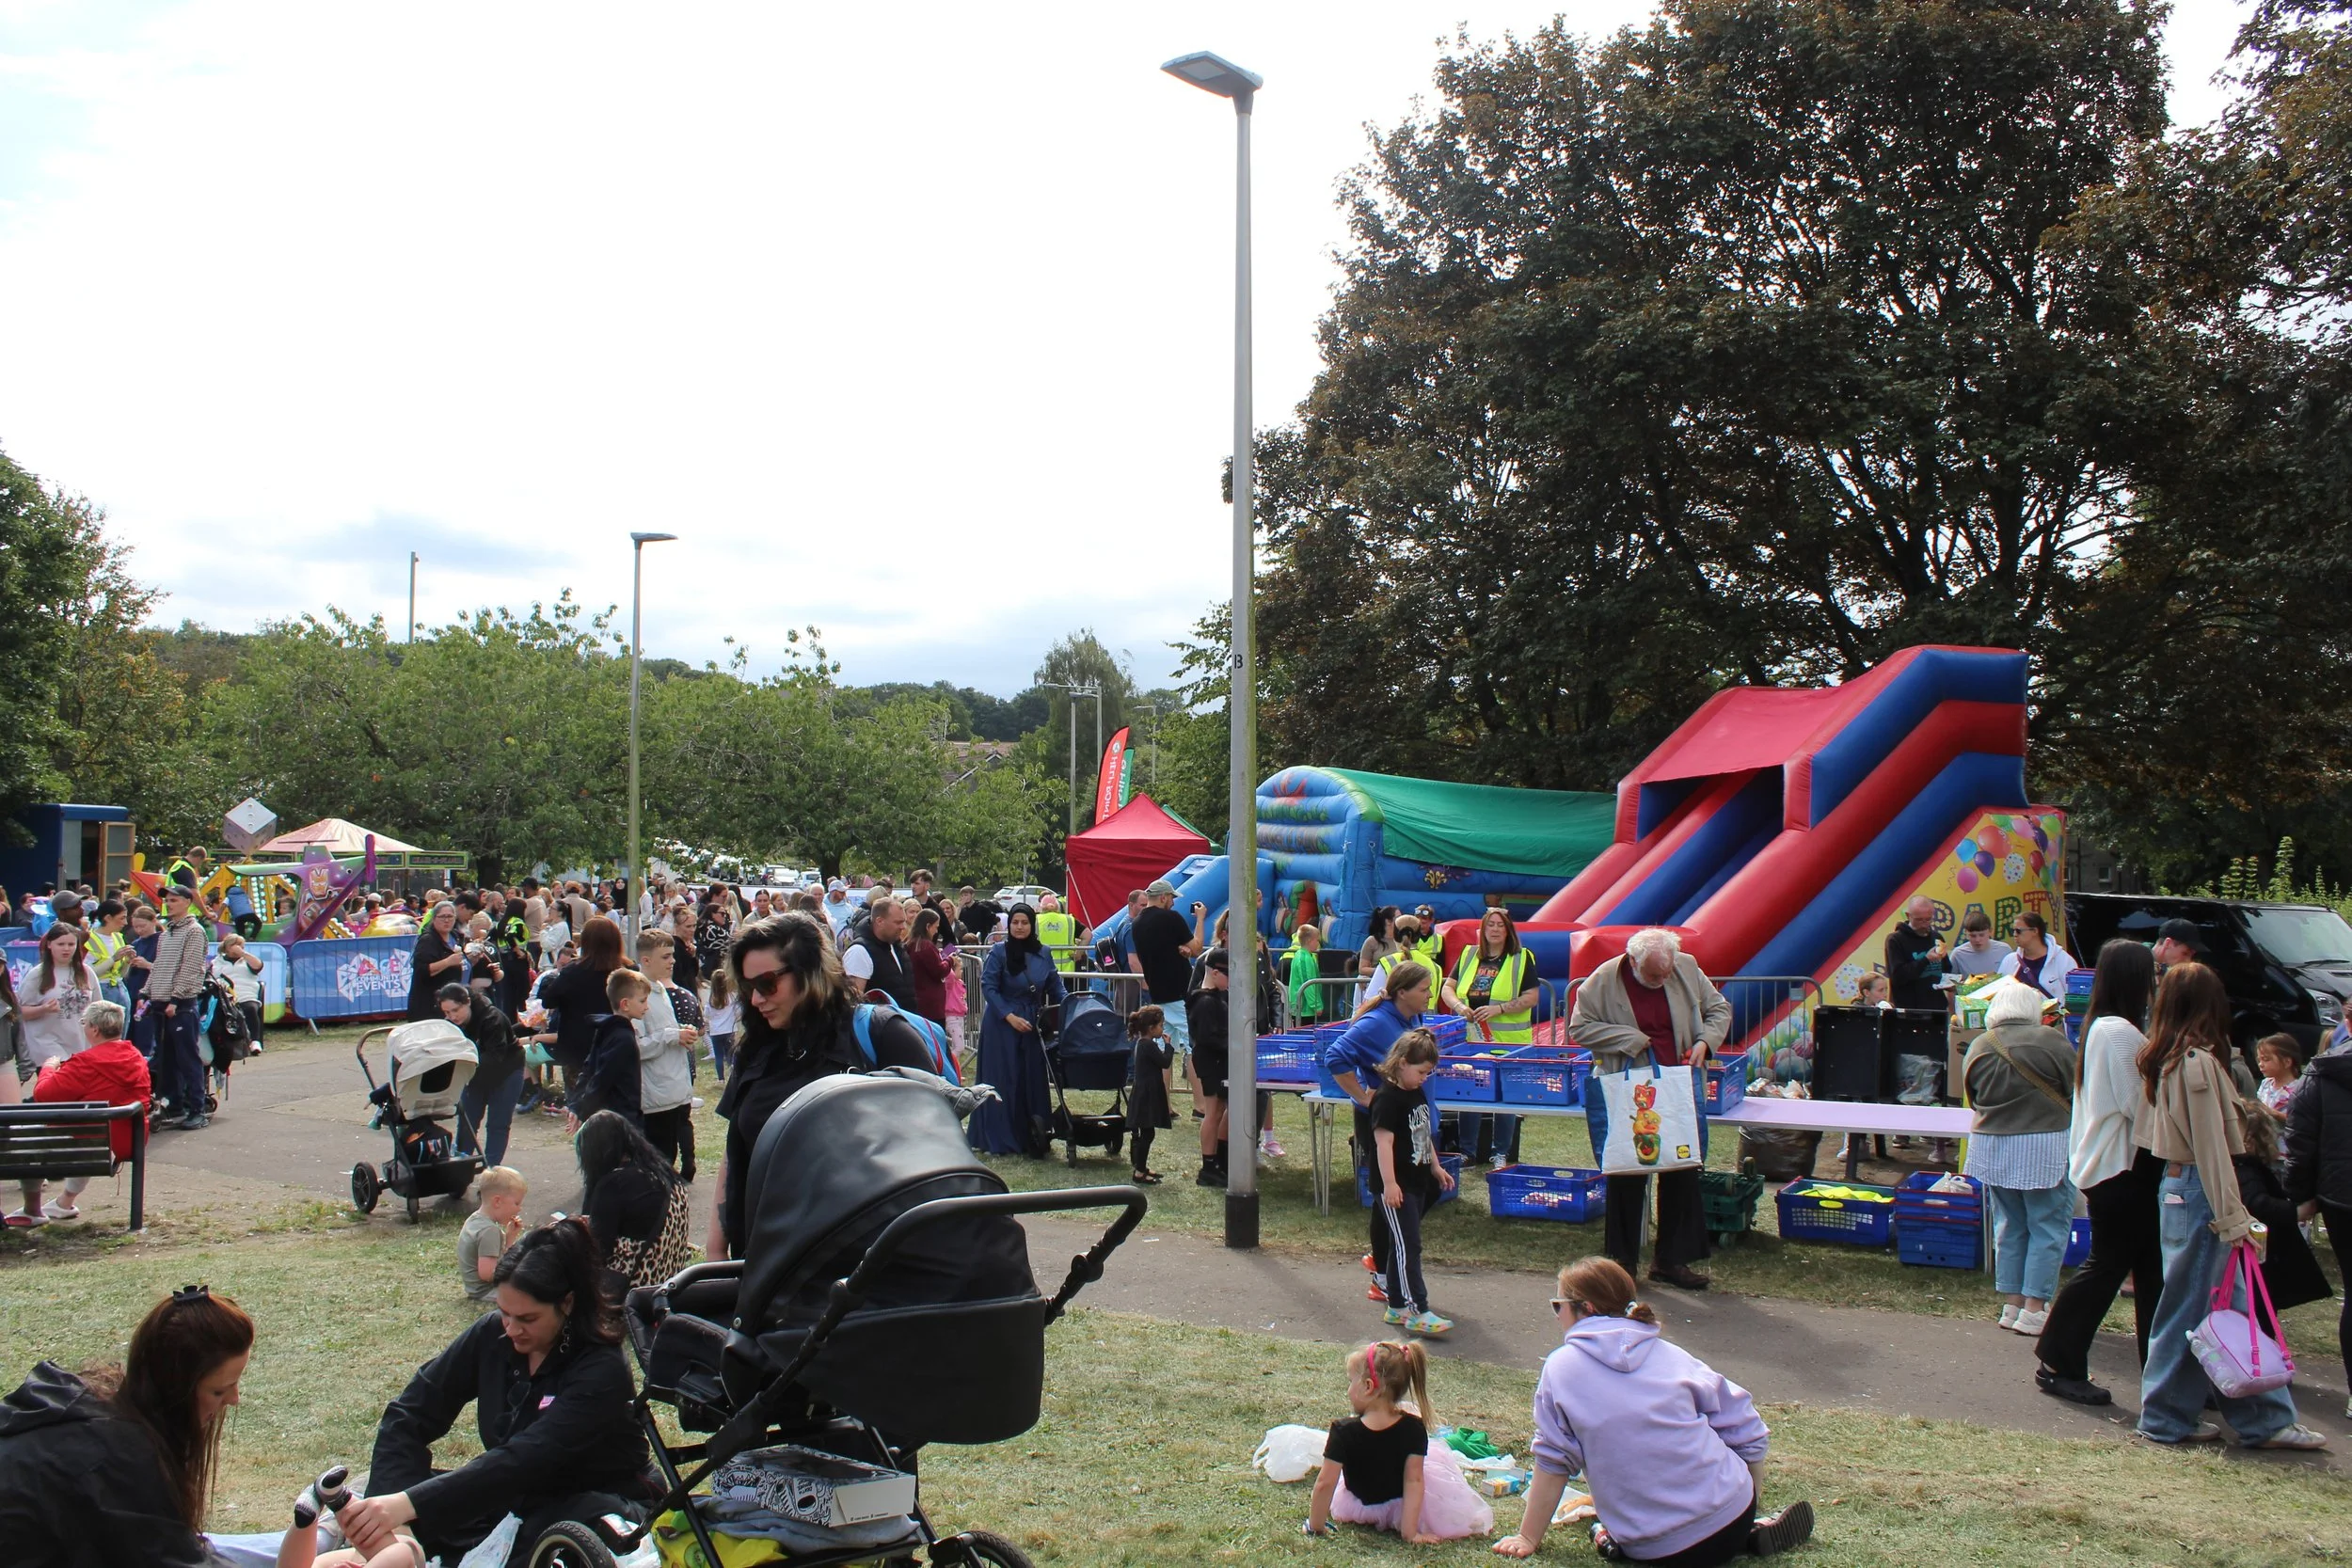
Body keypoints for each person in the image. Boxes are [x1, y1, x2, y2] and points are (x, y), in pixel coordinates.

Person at [342, 1221, 656, 1564]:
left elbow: (524, 1460)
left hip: (590, 1503)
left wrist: (406, 1505)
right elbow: (410, 1413)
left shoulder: (601, 1368)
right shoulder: (494, 1336)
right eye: (504, 1313)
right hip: (508, 1499)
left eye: (527, 1318)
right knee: (414, 1504)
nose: (512, 1329)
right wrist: (388, 1502)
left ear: (567, 1303)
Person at [1492, 1258, 1814, 1563]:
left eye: (1557, 1306)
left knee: (1622, 1524)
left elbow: (1554, 1460)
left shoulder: (1560, 1367)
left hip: (1652, 1548)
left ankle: (1608, 1536)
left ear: (1585, 1308)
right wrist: (1749, 1501)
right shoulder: (1670, 1354)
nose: (1556, 1316)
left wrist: (1527, 1537)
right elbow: (1746, 1426)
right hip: (1732, 1516)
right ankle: (1750, 1531)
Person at [2131, 961, 2326, 1449]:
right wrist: (2234, 1216)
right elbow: (2213, 1148)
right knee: (2197, 1310)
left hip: (2186, 1189)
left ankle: (2263, 1420)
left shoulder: (2163, 1058)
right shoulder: (2194, 1062)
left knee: (2219, 1306)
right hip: (2202, 1191)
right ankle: (2171, 1417)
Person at [707, 912, 932, 1259]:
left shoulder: (881, 1034)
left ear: (810, 972)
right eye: (749, 987)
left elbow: (934, 1150)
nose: (756, 999)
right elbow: (736, 1152)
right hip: (764, 1266)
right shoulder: (757, 1049)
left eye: (767, 983)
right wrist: (716, 1253)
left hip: (868, 1274)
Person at [0, 1284, 257, 1566]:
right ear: (175, 1389)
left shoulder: (103, 1414)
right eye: (219, 1391)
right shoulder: (119, 1459)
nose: (234, 1399)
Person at [2035, 940, 2163, 1405]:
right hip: (2120, 1169)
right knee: (2109, 1267)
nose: (2155, 984)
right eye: (2150, 975)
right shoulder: (2118, 1033)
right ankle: (2058, 1362)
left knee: (2149, 1272)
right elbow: (2138, 1106)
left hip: (2120, 1167)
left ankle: (2162, 1370)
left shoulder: (2107, 1028)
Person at [1569, 928, 1729, 1291]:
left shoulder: (1685, 967)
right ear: (1634, 961)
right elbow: (1580, 1027)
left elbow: (1719, 1008)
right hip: (1630, 1087)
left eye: (1667, 972)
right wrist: (1629, 1039)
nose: (1663, 980)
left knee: (1681, 1166)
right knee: (1628, 1169)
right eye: (1655, 975)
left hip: (1678, 1085)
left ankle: (1672, 1259)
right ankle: (1622, 1262)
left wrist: (1706, 1041)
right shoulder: (1602, 980)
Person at [1962, 979, 2078, 1336]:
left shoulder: (1980, 1044)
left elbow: (1973, 1097)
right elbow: (2077, 1087)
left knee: (2009, 1226)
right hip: (2045, 1146)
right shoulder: (2051, 1041)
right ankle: (2035, 1307)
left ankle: (2011, 1305)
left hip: (1992, 1146)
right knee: (2048, 1226)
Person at [1323, 960, 1437, 1302]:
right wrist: (1362, 1095)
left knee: (1423, 1189)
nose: (1429, 995)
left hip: (1414, 1117)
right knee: (1389, 1198)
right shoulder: (1375, 1022)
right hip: (1386, 1119)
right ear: (1402, 993)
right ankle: (1383, 1274)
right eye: (1424, 990)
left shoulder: (1413, 1018)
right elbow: (1335, 1056)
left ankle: (1388, 1261)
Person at [1303, 1339, 1489, 1544]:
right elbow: (1414, 1481)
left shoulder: (1343, 1431)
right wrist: (1411, 1533)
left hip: (1358, 1505)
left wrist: (1315, 1526)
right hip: (1401, 1507)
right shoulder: (1414, 1428)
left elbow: (1325, 1483)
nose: (1348, 1390)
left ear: (1367, 1387)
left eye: (1350, 1381)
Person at [19, 1001, 150, 1224]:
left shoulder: (86, 1063)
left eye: (84, 1023)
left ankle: (32, 1210)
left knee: (27, 1138)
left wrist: (49, 1068)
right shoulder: (136, 1057)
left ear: (95, 1029)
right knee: (91, 1130)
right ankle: (65, 1202)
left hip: (90, 1143)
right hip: (128, 1140)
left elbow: (44, 1094)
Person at [2281, 1010, 2352, 1417]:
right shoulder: (2321, 1075)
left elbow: (2300, 1140)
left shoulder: (2321, 1074)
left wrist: (2301, 1197)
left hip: (2341, 1197)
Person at [1370, 1027, 1457, 1337]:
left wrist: (1435, 1166)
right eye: (1422, 1071)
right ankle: (1417, 1309)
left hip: (1418, 1180)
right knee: (1410, 1246)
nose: (1425, 1078)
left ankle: (1396, 1305)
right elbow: (1383, 1144)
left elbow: (1422, 1133)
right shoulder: (1387, 1099)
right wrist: (1390, 1184)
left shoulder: (1415, 1092)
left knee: (1402, 1244)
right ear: (1403, 1063)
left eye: (1429, 1073)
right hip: (1398, 1186)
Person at [1443, 908, 1540, 1169]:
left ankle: (1501, 1153)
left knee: (1504, 1097)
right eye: (1490, 925)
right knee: (1469, 1093)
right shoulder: (1468, 955)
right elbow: (1448, 988)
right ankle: (1467, 1152)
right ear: (1483, 930)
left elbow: (1532, 996)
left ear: (1508, 930)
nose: (1495, 929)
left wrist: (1499, 1009)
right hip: (1472, 1038)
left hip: (1508, 1041)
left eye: (1500, 925)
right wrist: (1460, 1008)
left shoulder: (1521, 958)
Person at [969, 904, 1064, 1158]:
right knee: (1003, 1077)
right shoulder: (999, 952)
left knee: (1031, 1077)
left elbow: (1055, 985)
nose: (1020, 927)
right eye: (1015, 922)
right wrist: (1009, 1016)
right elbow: (988, 986)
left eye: (1024, 922)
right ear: (1009, 925)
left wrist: (1072, 1006)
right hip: (1002, 1023)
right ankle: (999, 1136)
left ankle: (1033, 1134)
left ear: (1032, 924)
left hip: (1031, 1023)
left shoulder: (1043, 952)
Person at [577, 1108, 694, 1293]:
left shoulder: (614, 1184)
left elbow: (597, 1251)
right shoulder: (665, 1173)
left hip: (633, 1293)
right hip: (669, 1285)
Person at [630, 931, 698, 1180]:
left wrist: (683, 1033)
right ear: (646, 960)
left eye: (672, 955)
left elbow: (663, 1032)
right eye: (666, 956)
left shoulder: (658, 988)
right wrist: (672, 1035)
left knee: (666, 1161)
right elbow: (634, 1046)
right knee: (657, 1168)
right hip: (655, 1097)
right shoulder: (636, 992)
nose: (673, 961)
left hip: (672, 1091)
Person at [438, 984, 524, 1169]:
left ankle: (491, 1170)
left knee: (498, 1123)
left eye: (456, 1010)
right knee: (467, 1120)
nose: (452, 1017)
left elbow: (495, 1057)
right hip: (473, 1071)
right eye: (446, 1012)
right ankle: (461, 1166)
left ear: (467, 1002)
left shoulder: (493, 1018)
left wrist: (458, 1068)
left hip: (507, 1071)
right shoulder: (450, 1024)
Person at [537, 915, 627, 1095]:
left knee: (579, 1104)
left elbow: (549, 1000)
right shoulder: (626, 971)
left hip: (578, 1047)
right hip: (616, 1043)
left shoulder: (573, 972)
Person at [152, 885, 213, 1130]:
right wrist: (147, 993)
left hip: (181, 1005)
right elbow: (158, 966)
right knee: (166, 1060)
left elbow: (190, 968)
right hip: (161, 1001)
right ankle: (174, 1105)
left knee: (188, 1058)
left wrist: (176, 999)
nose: (169, 904)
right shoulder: (167, 933)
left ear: (188, 902)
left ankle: (197, 1108)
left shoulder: (194, 932)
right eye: (167, 900)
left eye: (174, 900)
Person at [1130, 880, 1205, 1053]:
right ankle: (1197, 1079)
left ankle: (1162, 1080)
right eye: (1171, 898)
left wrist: (1178, 949)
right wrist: (1201, 919)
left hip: (1157, 993)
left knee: (1164, 1049)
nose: (1173, 903)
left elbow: (1160, 948)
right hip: (1179, 992)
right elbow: (1197, 948)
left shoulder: (1136, 923)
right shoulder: (1171, 918)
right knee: (1194, 1045)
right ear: (1163, 897)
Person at [1186, 950, 1237, 1188]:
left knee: (1221, 1110)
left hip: (1219, 1058)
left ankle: (1218, 1159)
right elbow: (1207, 1037)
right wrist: (1234, 1043)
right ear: (1215, 973)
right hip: (1210, 1060)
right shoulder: (1204, 1001)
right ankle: (1208, 1166)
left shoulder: (1217, 997)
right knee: (1213, 1111)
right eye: (1228, 974)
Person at [18, 921, 98, 1069]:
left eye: (71, 944)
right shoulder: (37, 975)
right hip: (47, 1049)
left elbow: (98, 1008)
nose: (66, 949)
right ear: (49, 945)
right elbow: (19, 1013)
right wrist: (43, 1009)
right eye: (61, 944)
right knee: (59, 1090)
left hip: (80, 1047)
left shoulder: (87, 972)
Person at [457, 1165, 528, 1306]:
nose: (519, 1208)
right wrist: (517, 1271)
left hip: (475, 1289)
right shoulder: (489, 1231)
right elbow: (488, 1274)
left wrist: (509, 1238)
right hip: (487, 1291)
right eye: (517, 1203)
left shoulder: (475, 1220)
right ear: (497, 1201)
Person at [843, 895, 918, 1012]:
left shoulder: (897, 946)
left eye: (904, 922)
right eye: (898, 922)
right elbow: (854, 1004)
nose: (903, 927)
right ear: (879, 921)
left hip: (906, 1022)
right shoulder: (859, 952)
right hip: (880, 1026)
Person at [1127, 1004, 1173, 1184]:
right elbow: (1165, 1062)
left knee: (1147, 1133)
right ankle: (1139, 1171)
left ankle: (1142, 1167)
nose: (1162, 1029)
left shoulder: (1143, 1044)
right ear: (1151, 1028)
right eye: (1161, 1025)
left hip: (1145, 1092)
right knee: (1147, 1134)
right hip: (1147, 1094)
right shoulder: (1148, 1045)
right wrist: (1168, 1046)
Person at [1884, 895, 1947, 1011]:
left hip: (1937, 1008)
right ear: (1908, 916)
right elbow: (1898, 976)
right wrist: (1926, 960)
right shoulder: (1895, 940)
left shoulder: (1936, 937)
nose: (1924, 924)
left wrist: (1952, 983)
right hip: (1908, 1010)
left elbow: (1946, 970)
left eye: (1928, 919)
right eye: (1919, 920)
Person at [406, 900, 466, 1020]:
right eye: (442, 917)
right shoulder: (427, 940)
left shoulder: (456, 936)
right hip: (429, 1004)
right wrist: (448, 962)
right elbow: (421, 970)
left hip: (452, 999)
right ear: (434, 919)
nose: (447, 920)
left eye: (450, 916)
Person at [1996, 911, 2076, 999]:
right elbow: (1999, 994)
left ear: (2035, 931)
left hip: (2051, 1012)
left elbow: (2074, 997)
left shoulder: (2063, 960)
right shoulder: (2010, 960)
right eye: (2013, 931)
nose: (2014, 935)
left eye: (2018, 931)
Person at [210, 932, 265, 1054]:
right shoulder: (216, 962)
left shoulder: (247, 960)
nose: (240, 948)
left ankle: (255, 1041)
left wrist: (243, 954)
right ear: (228, 947)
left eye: (242, 946)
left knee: (250, 1008)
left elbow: (258, 966)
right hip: (225, 996)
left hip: (246, 994)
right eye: (237, 945)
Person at [907, 906, 954, 1026]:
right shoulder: (926, 946)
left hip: (918, 999)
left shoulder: (911, 943)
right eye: (936, 927)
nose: (936, 931)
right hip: (931, 1005)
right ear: (928, 926)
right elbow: (938, 971)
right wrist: (950, 960)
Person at [1944, 910, 2011, 981]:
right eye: (1973, 936)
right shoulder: (1958, 954)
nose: (1977, 940)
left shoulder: (2004, 950)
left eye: (1982, 935)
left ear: (1990, 931)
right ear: (1966, 933)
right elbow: (1950, 984)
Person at [2254, 1032, 2306, 1118]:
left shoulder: (2298, 1090)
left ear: (2287, 1062)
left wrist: (2277, 1115)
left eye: (2266, 1059)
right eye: (2259, 1060)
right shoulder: (2266, 1083)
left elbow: (2301, 1119)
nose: (2260, 1064)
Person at [1286, 922, 1327, 1032]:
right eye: (1317, 940)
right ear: (1309, 941)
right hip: (1304, 1009)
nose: (1318, 943)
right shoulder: (1304, 958)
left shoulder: (1304, 956)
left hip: (1304, 1008)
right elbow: (1307, 984)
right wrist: (1316, 1006)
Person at [705, 962, 740, 1081]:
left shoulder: (710, 1000)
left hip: (716, 1032)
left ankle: (721, 1079)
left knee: (719, 1056)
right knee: (730, 1054)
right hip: (729, 1030)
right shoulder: (732, 997)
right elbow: (738, 1011)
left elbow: (707, 1015)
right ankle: (732, 1074)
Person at [1034, 892, 1081, 974]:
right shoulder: (1069, 920)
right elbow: (1088, 935)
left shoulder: (1035, 920)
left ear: (1041, 907)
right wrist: (1079, 953)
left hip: (1041, 969)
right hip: (1066, 971)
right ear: (1058, 907)